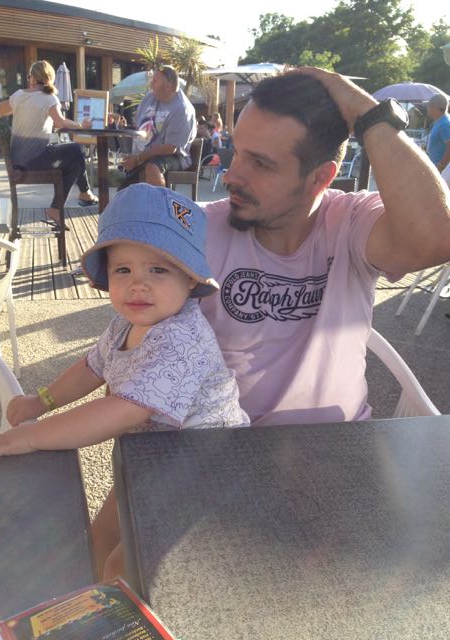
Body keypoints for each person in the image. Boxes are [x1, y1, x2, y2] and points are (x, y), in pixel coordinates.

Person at [0, 183, 249, 577]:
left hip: (204, 465)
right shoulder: (125, 322)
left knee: (129, 562)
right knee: (100, 535)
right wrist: (42, 400)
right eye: (123, 269)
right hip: (152, 456)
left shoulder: (181, 339)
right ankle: (97, 595)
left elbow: (123, 411)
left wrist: (31, 436)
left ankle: (119, 607)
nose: (138, 283)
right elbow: (93, 366)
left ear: (190, 278)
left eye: (158, 269)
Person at [198, 67, 450, 426]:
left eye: (260, 163)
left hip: (338, 443)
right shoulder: (196, 232)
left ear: (320, 178)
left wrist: (366, 110)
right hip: (226, 443)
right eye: (237, 152)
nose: (232, 176)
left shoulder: (351, 223)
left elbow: (437, 239)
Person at [0, 60, 98, 228]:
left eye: (29, 76)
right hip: (34, 160)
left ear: (32, 78)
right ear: (50, 78)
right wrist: (81, 125)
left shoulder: (19, 95)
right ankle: (80, 194)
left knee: (73, 164)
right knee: (75, 149)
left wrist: (17, 106)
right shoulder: (49, 99)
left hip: (17, 162)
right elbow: (60, 123)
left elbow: (1, 110)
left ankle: (67, 203)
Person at [119, 65, 196, 189]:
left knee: (152, 167)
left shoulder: (182, 109)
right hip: (145, 155)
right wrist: (121, 125)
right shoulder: (149, 97)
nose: (151, 84)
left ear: (168, 86)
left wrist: (138, 158)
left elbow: (170, 148)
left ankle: (160, 200)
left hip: (174, 157)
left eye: (155, 81)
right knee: (124, 195)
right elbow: (137, 127)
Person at [425, 93, 450, 174]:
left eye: (428, 105)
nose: (427, 108)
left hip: (440, 172)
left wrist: (440, 167)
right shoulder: (440, 121)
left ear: (433, 106)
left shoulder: (444, 124)